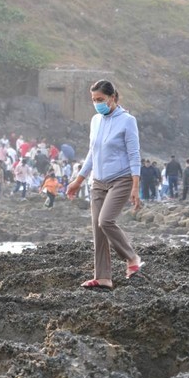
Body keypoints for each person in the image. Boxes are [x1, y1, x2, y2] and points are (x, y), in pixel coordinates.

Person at [67, 79, 143, 290]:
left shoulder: (128, 121)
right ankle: (103, 278)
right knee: (97, 230)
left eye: (100, 99)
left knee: (105, 221)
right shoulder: (95, 121)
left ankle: (132, 258)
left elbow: (134, 154)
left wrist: (135, 186)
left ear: (112, 97)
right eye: (93, 100)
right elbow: (93, 152)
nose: (97, 103)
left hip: (122, 179)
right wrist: (78, 180)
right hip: (98, 182)